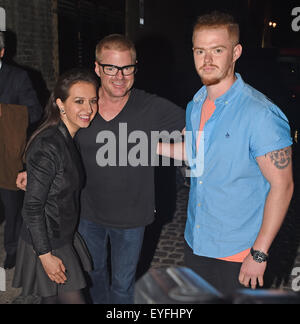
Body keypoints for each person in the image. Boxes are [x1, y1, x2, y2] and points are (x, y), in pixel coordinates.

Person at [17, 34, 185, 304]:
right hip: (86, 215)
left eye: (126, 68)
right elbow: (53, 135)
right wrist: (34, 171)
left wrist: (153, 146)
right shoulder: (84, 105)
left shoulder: (152, 107)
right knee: (92, 279)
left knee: (122, 286)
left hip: (132, 219)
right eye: (111, 68)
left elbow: (198, 138)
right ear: (97, 68)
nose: (119, 76)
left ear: (135, 67)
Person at [158, 11, 294, 295]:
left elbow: (283, 186)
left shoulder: (260, 114)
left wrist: (259, 253)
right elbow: (197, 152)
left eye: (217, 50)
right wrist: (150, 146)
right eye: (200, 51)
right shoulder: (196, 104)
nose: (207, 60)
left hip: (239, 251)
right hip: (197, 240)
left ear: (236, 52)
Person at [12, 68, 98, 304]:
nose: (88, 109)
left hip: (59, 235)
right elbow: (32, 208)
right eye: (79, 101)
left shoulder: (66, 137)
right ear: (61, 104)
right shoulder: (50, 144)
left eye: (93, 101)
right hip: (47, 242)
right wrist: (46, 255)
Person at [0, 31, 42, 270]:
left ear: (2, 52)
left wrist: (4, 112)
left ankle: (13, 249)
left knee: (12, 206)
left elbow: (35, 111)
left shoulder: (18, 77)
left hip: (8, 154)